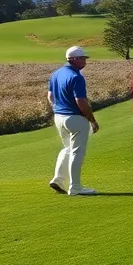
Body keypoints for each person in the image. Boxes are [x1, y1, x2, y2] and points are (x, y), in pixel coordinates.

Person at [47, 46, 99, 196]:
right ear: (73, 59)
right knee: (77, 152)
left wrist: (59, 108)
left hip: (59, 117)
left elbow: (50, 96)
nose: (85, 61)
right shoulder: (77, 77)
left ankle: (58, 179)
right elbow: (81, 101)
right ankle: (75, 186)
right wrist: (92, 120)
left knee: (68, 148)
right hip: (75, 118)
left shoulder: (56, 73)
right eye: (82, 58)